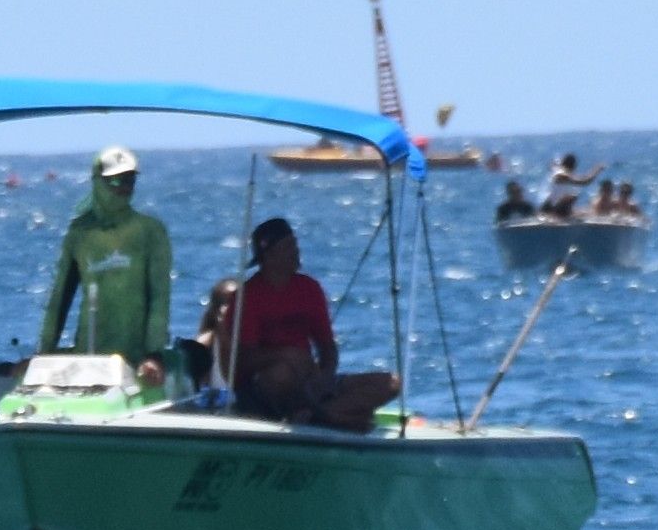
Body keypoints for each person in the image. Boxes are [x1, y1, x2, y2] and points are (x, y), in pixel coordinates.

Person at [201, 217, 399, 429]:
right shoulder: (247, 297)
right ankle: (331, 414)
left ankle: (320, 415)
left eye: (295, 244)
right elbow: (243, 361)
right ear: (269, 255)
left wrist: (324, 378)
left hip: (308, 380)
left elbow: (327, 347)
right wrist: (286, 355)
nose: (296, 251)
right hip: (264, 386)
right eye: (288, 246)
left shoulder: (309, 289)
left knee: (391, 382)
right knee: (281, 374)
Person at [38, 144, 175, 376]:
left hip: (136, 361)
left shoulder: (150, 230)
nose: (123, 188)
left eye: (130, 180)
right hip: (89, 355)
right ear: (97, 182)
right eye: (114, 181)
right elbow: (60, 299)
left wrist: (154, 355)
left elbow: (159, 298)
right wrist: (43, 353)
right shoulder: (79, 232)